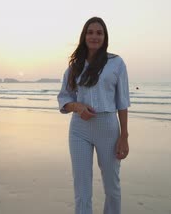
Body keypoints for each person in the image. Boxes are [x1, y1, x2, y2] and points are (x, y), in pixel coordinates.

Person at [57, 17, 130, 214]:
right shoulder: (74, 67)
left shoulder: (116, 63)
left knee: (112, 186)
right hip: (79, 130)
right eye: (90, 32)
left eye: (99, 32)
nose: (94, 36)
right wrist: (78, 107)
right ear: (84, 36)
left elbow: (122, 102)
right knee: (82, 188)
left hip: (108, 127)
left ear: (105, 37)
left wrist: (124, 136)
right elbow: (64, 98)